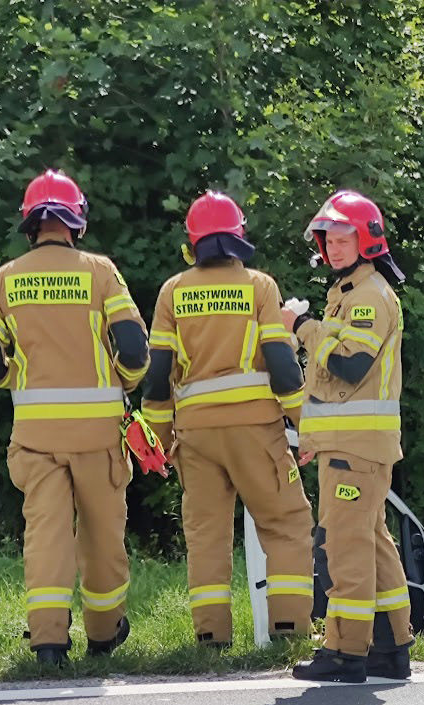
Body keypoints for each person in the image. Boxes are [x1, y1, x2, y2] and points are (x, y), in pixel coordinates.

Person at [0, 169, 148, 666]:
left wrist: (17, 378)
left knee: (46, 536)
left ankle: (48, 643)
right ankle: (103, 635)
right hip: (98, 435)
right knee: (102, 536)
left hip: (36, 437)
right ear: (77, 222)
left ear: (30, 223)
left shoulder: (4, 279)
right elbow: (135, 350)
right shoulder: (100, 271)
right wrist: (124, 382)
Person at [141, 191, 314, 648]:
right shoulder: (260, 287)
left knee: (206, 537)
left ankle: (211, 639)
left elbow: (157, 375)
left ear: (192, 242)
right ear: (240, 236)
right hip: (256, 432)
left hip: (196, 436)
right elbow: (282, 366)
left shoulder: (173, 291)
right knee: (286, 524)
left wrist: (157, 438)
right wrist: (307, 425)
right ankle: (289, 633)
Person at [284, 189, 413, 683]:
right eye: (329, 239)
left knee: (345, 547)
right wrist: (314, 436)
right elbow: (334, 390)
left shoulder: (368, 297)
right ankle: (392, 648)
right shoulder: (349, 294)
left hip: (356, 451)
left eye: (343, 238)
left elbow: (350, 365)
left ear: (367, 241)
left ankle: (345, 650)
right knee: (372, 542)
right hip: (351, 447)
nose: (334, 248)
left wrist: (303, 328)